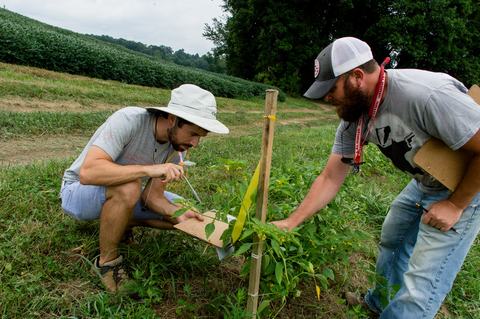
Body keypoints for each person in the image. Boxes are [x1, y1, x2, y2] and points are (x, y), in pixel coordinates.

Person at [272, 37, 480, 318]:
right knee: (392, 240)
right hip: (427, 181)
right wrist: (291, 221)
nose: (327, 97)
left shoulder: (425, 96)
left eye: (331, 89)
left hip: (467, 186)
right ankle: (379, 302)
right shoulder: (355, 115)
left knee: (421, 286)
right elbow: (331, 177)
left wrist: (455, 205)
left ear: (357, 77)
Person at [60, 84, 229, 292]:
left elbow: (152, 197)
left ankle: (122, 223)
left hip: (124, 193)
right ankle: (107, 263)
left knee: (183, 207)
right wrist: (149, 169)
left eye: (201, 136)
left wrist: (178, 214)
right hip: (77, 192)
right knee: (129, 187)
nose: (196, 143)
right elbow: (88, 173)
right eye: (193, 134)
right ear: (172, 119)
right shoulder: (129, 120)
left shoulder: (178, 145)